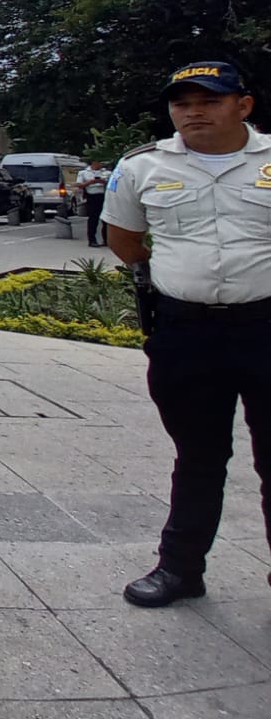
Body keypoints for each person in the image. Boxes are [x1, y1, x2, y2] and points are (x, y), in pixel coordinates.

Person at [101, 61, 271, 607]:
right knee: (196, 455)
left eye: (209, 101)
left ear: (243, 106)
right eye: (182, 103)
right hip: (186, 330)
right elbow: (125, 239)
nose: (193, 112)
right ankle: (179, 569)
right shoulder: (142, 167)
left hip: (266, 326)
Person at [77, 158, 110, 246]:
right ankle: (92, 240)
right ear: (93, 163)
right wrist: (90, 182)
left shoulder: (106, 172)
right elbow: (79, 185)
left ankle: (106, 240)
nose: (100, 164)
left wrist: (103, 181)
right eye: (98, 162)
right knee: (93, 219)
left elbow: (112, 184)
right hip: (91, 196)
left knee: (106, 219)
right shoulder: (84, 173)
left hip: (104, 196)